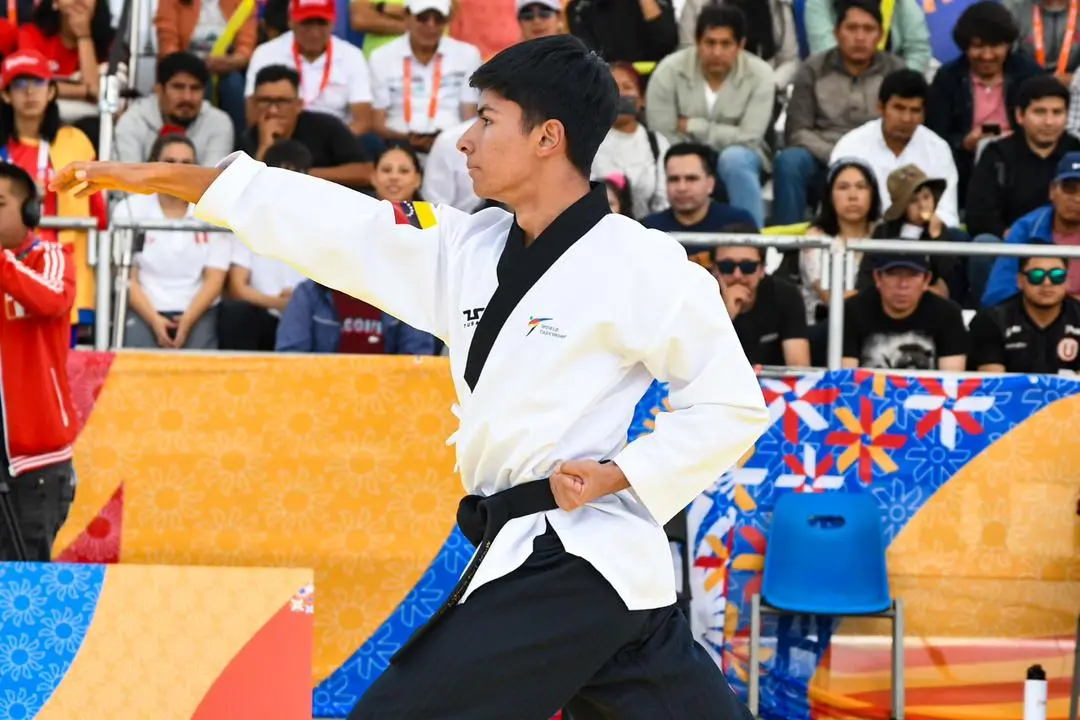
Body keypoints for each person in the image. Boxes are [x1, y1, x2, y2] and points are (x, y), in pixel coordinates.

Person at [54, 35, 766, 719]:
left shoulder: (642, 265)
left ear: (548, 137)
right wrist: (175, 177)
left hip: (573, 559)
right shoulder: (467, 245)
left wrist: (619, 472)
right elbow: (334, 222)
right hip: (579, 569)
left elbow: (729, 403)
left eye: (486, 119)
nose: (464, 140)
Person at [0, 162, 77, 562]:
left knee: (23, 584)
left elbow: (51, 300)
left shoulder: (53, 256)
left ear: (31, 211)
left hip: (35, 463)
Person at [0, 49, 105, 338]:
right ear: (6, 95)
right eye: (20, 85)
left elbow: (99, 214)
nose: (30, 92)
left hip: (58, 273)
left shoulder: (76, 143)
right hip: (5, 270)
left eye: (38, 83)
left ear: (52, 91)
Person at [772, 0, 904, 225]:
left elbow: (903, 129)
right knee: (790, 161)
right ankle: (786, 250)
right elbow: (797, 131)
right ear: (836, 32)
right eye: (852, 29)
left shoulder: (896, 71)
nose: (860, 37)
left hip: (878, 157)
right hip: (822, 156)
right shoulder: (813, 68)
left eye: (868, 29)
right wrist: (838, 155)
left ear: (881, 34)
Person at [646, 4, 776, 227]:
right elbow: (663, 133)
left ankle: (751, 245)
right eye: (710, 43)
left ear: (741, 45)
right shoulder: (668, 70)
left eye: (726, 44)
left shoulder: (761, 74)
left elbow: (749, 137)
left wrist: (695, 126)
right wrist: (696, 161)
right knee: (677, 166)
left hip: (745, 158)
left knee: (734, 158)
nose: (717, 52)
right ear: (696, 41)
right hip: (681, 154)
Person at [118, 135, 231, 349]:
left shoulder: (215, 212)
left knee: (199, 375)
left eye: (186, 164)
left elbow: (214, 279)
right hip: (144, 309)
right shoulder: (129, 209)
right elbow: (126, 278)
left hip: (198, 310)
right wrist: (154, 320)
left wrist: (188, 320)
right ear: (153, 165)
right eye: (170, 162)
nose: (178, 170)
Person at [926, 1, 1041, 202]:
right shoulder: (948, 78)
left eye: (995, 46)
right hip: (964, 170)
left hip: (1023, 164)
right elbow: (934, 137)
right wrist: (964, 143)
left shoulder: (1028, 74)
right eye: (978, 47)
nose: (987, 56)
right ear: (965, 46)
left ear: (1008, 44)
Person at [831, 69, 960, 227]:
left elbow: (947, 213)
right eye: (899, 108)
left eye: (915, 110)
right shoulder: (851, 145)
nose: (906, 119)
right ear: (881, 107)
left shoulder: (937, 149)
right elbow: (835, 207)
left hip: (921, 238)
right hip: (866, 238)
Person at [219, 139, 310, 351]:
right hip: (263, 314)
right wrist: (279, 304)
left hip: (308, 315)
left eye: (299, 176)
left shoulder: (319, 224)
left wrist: (300, 302)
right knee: (236, 313)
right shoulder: (246, 221)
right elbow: (238, 287)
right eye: (284, 176)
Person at [367, 0, 483, 154]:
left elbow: (469, 117)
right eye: (423, 18)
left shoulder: (467, 54)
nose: (431, 25)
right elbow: (377, 123)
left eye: (439, 19)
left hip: (453, 147)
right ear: (407, 16)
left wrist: (445, 141)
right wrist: (407, 139)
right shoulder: (381, 57)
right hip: (396, 146)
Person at [245, 0, 374, 135]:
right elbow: (253, 114)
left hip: (336, 138)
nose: (314, 32)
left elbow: (362, 121)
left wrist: (335, 145)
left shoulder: (352, 55)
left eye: (321, 23)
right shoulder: (266, 53)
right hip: (282, 137)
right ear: (291, 21)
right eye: (306, 23)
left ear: (333, 23)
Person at [242, 65, 373, 188]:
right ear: (253, 103)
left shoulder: (326, 127)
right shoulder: (249, 136)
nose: (273, 110)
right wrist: (265, 147)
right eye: (265, 101)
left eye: (282, 101)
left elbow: (365, 172)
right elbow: (247, 187)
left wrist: (303, 174)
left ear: (298, 105)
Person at [858, 164, 968, 303]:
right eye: (913, 201)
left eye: (926, 197)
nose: (922, 205)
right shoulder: (884, 232)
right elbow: (867, 275)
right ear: (901, 208)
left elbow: (949, 280)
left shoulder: (941, 232)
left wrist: (936, 238)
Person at [983, 151, 1080, 305]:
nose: (1077, 198)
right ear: (1052, 190)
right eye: (1070, 188)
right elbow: (997, 295)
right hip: (1031, 320)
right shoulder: (1026, 229)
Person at [842, 254, 969, 371]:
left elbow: (952, 382)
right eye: (893, 274)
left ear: (926, 280)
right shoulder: (853, 309)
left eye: (913, 275)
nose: (903, 284)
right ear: (877, 277)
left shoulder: (947, 314)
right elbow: (845, 379)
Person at [114, 52, 236, 167]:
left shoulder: (218, 122)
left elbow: (212, 183)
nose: (187, 97)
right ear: (159, 90)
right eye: (178, 87)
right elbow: (128, 181)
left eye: (195, 88)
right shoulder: (132, 121)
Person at [153, 0, 257, 132]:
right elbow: (168, 47)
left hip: (228, 68)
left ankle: (239, 145)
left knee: (233, 86)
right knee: (196, 85)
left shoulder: (243, 2)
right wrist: (195, 67)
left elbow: (245, 50)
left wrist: (229, 62)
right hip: (183, 67)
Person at [968, 255, 1080, 373]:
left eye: (1057, 276)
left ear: (1067, 280)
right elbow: (994, 384)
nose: (1047, 283)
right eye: (1036, 275)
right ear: (1020, 280)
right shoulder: (992, 319)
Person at [712, 237, 810, 367]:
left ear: (762, 269)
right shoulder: (697, 297)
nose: (737, 275)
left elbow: (799, 367)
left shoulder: (785, 294)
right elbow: (693, 366)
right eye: (727, 266)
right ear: (714, 270)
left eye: (748, 267)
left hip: (771, 385)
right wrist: (726, 316)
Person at [592, 62, 669, 220]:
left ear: (642, 99)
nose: (619, 95)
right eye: (613, 87)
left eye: (627, 87)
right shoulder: (587, 141)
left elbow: (664, 200)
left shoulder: (657, 143)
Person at [642, 143, 757, 232]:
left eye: (691, 179)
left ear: (710, 184)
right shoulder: (648, 229)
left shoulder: (738, 223)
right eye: (674, 179)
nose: (682, 188)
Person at [803, 0, 931, 71]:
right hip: (836, 82)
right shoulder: (818, 3)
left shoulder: (902, 3)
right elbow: (825, 53)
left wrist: (898, 86)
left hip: (891, 84)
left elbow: (918, 52)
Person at [567, 0, 677, 62]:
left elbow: (667, 43)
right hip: (609, 85)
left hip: (656, 79)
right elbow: (589, 55)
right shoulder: (578, 7)